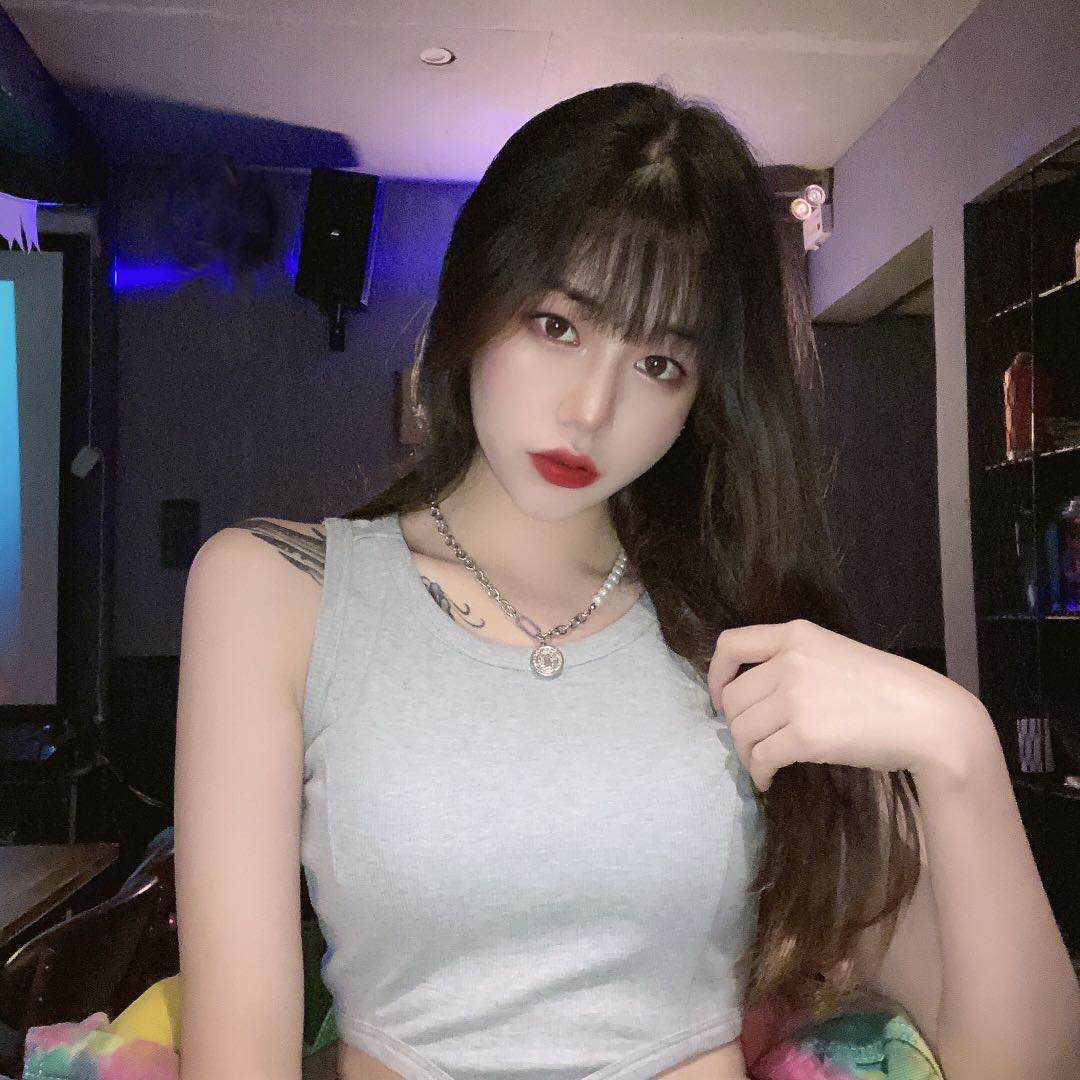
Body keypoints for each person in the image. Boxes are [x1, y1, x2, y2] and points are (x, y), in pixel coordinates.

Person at [174, 79, 1080, 1080]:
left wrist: (961, 750)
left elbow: (1027, 1066)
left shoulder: (745, 637)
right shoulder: (279, 592)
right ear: (475, 298)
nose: (591, 409)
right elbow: (235, 1055)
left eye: (659, 365)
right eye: (557, 325)